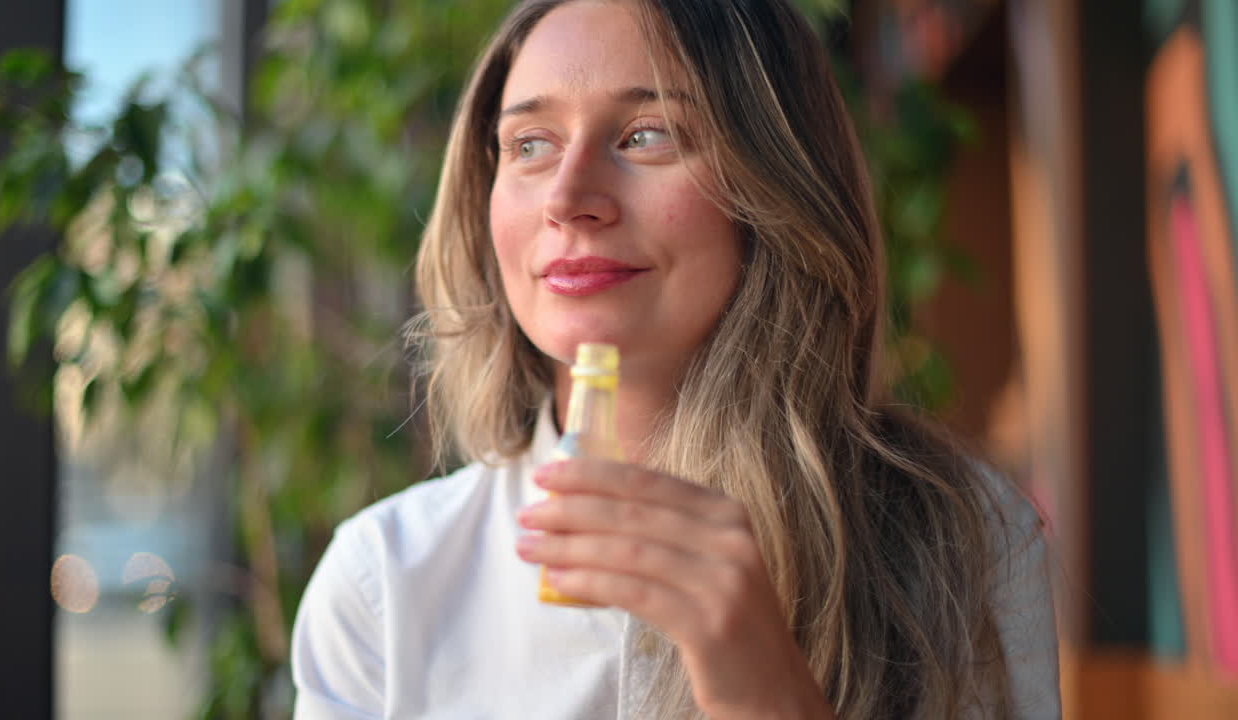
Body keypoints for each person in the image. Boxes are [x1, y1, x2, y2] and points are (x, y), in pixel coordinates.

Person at [290, 0, 1060, 717]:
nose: (567, 195)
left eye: (647, 135)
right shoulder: (382, 586)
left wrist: (767, 689)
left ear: (777, 184)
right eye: (530, 145)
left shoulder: (965, 540)